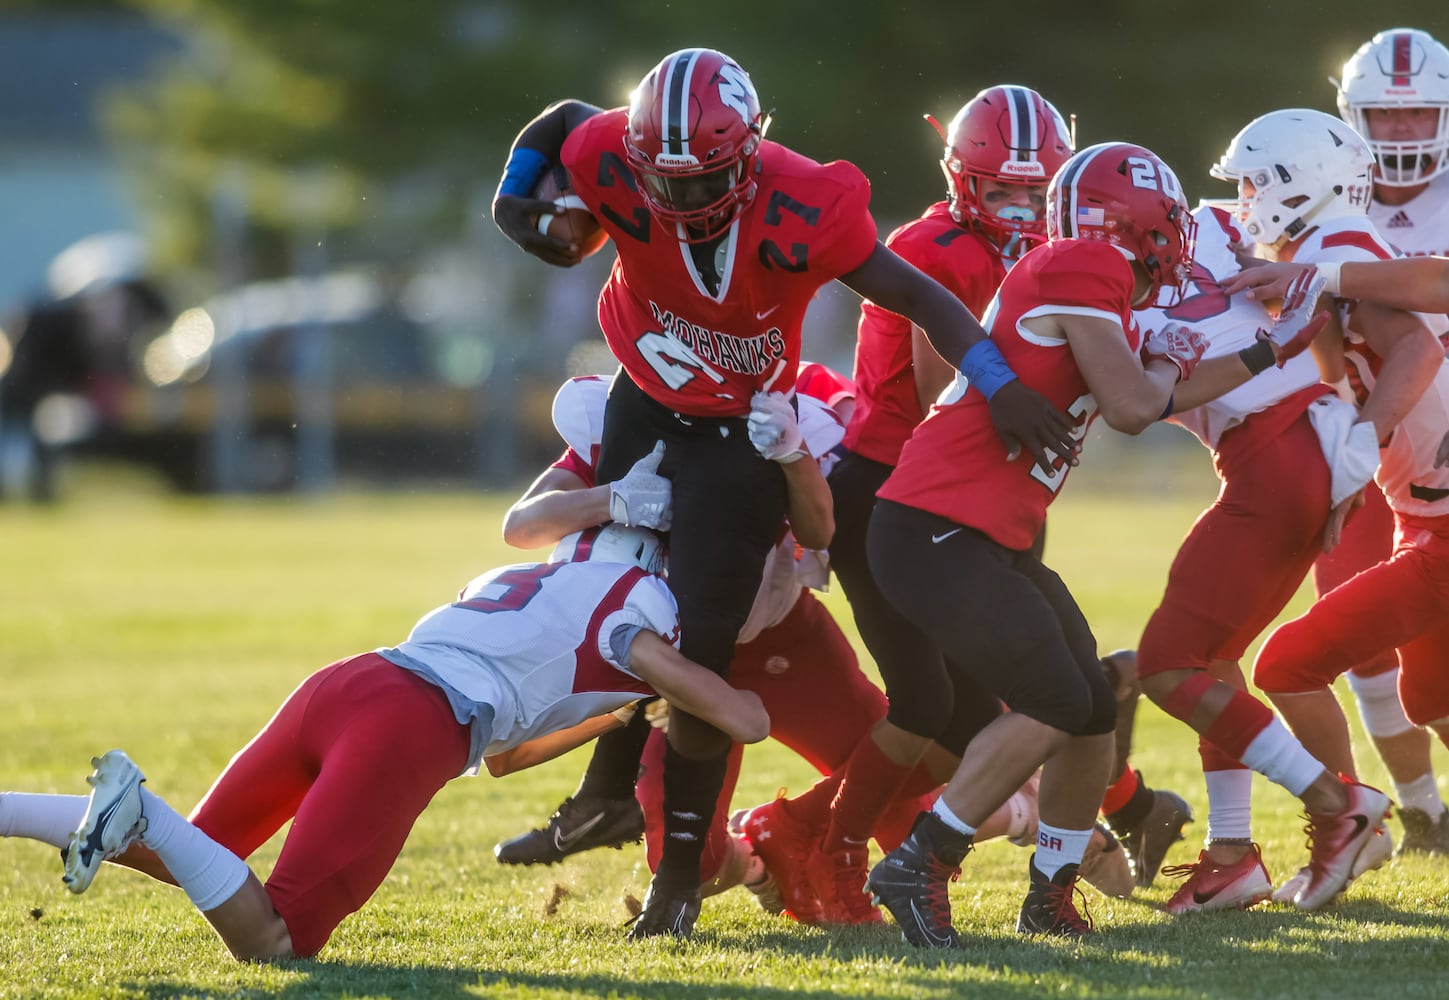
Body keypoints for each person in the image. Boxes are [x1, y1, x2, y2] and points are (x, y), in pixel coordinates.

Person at [490, 47, 1076, 938]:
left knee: (701, 650)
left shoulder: (806, 201)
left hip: (741, 432)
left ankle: (676, 883)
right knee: (598, 600)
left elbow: (926, 301)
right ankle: (607, 788)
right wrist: (516, 195)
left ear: (751, 151)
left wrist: (1000, 385)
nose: (680, 201)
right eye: (666, 182)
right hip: (642, 399)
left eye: (702, 182)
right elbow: (565, 122)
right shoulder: (617, 149)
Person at [858, 139, 1369, 948]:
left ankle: (1048, 892)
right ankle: (921, 858)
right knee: (1056, 700)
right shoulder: (1081, 266)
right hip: (937, 526)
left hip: (985, 534)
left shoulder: (1085, 280)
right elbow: (1133, 408)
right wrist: (1187, 359)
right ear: (1146, 225)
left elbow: (1159, 395)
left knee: (1092, 708)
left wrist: (1273, 347)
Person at [735, 87, 1184, 927]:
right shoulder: (936, 247)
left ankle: (822, 835)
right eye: (1002, 191)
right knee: (941, 707)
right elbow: (948, 390)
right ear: (962, 180)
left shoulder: (1067, 259)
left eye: (1034, 190)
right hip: (902, 489)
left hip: (982, 496)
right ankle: (823, 844)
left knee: (1008, 703)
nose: (1021, 210)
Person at [0, 524, 768, 961]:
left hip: (349, 683)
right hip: (408, 726)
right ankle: (134, 811)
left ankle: (10, 809)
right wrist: (699, 680)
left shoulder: (526, 576)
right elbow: (743, 721)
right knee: (275, 941)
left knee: (195, 852)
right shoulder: (641, 612)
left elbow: (502, 757)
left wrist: (610, 717)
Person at [490, 366, 939, 918]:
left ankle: (805, 832)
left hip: (778, 638)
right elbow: (521, 526)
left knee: (913, 764)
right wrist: (613, 499)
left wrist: (794, 457)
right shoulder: (620, 424)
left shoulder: (760, 419)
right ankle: (755, 857)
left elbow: (821, 528)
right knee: (691, 860)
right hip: (675, 660)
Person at [1131, 198, 1422, 913]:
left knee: (1167, 663)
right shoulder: (1221, 225)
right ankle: (1232, 855)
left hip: (1281, 455)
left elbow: (1127, 402)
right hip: (1299, 446)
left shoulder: (1105, 273)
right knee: (1218, 655)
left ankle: (1339, 805)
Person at [1306, 27, 1449, 855]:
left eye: (1416, 115)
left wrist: (1329, 276)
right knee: (1352, 624)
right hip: (1357, 436)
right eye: (1381, 117)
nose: (1398, 133)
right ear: (1348, 116)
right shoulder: (1327, 190)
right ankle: (1421, 805)